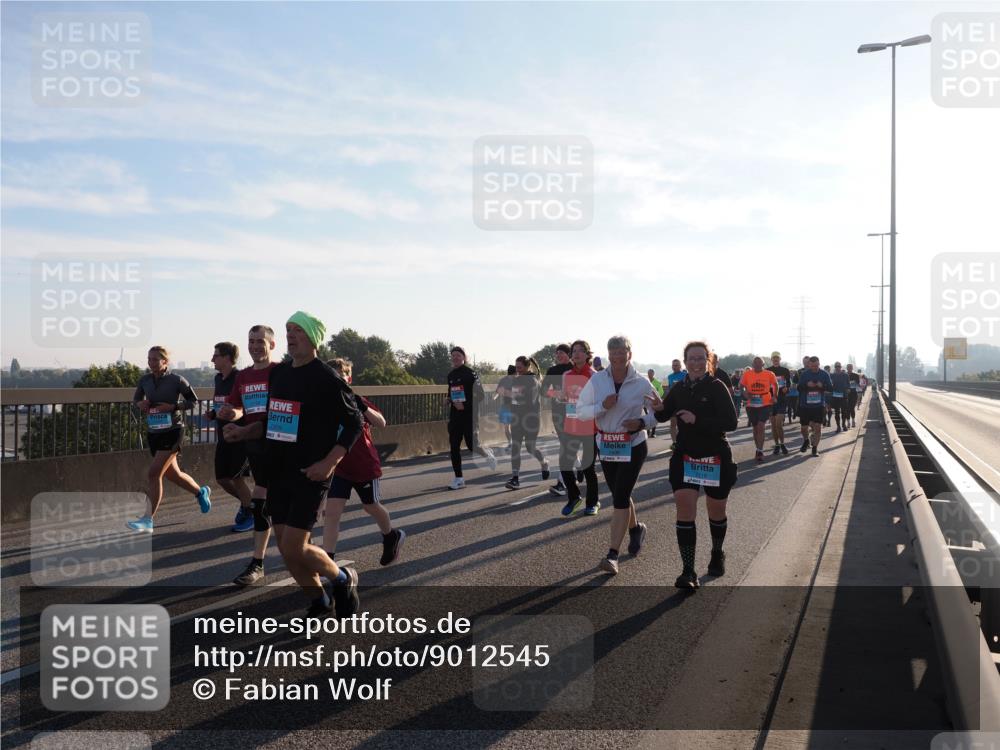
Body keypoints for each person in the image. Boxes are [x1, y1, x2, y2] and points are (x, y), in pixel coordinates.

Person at [263, 311, 364, 618]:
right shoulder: (278, 373)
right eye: (288, 330)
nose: (291, 336)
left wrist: (330, 462)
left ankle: (342, 578)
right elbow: (275, 418)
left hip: (312, 472)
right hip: (279, 470)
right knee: (285, 548)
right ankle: (319, 602)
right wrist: (244, 430)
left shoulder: (326, 377)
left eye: (298, 331)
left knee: (295, 547)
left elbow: (354, 422)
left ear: (313, 338)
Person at [652, 341, 738, 589]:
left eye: (701, 358)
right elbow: (663, 414)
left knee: (716, 510)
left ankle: (717, 552)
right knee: (684, 510)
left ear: (708, 360)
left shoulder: (717, 386)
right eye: (692, 358)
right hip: (686, 456)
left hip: (715, 456)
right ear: (685, 361)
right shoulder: (679, 388)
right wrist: (658, 409)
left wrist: (697, 419)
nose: (696, 363)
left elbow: (730, 422)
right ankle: (688, 572)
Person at [575, 335, 656, 575]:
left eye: (622, 352)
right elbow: (580, 412)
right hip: (608, 445)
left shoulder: (641, 383)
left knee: (620, 497)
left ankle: (612, 555)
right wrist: (602, 406)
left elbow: (658, 413)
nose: (618, 357)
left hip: (633, 445)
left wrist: (641, 421)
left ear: (630, 354)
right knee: (621, 492)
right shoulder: (597, 381)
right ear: (608, 355)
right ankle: (636, 528)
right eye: (614, 353)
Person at [323, 358, 404, 566]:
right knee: (331, 513)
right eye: (331, 377)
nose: (335, 381)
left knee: (371, 506)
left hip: (364, 465)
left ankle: (390, 536)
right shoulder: (322, 403)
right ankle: (328, 561)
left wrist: (362, 407)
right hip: (338, 467)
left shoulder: (356, 399)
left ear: (348, 378)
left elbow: (382, 422)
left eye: (340, 376)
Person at [219, 325, 278, 586]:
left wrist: (245, 429)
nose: (255, 346)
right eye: (251, 341)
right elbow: (239, 408)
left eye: (260, 341)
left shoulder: (281, 373)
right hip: (255, 448)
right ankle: (258, 562)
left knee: (287, 509)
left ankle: (309, 554)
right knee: (260, 504)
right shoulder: (242, 377)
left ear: (272, 345)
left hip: (283, 448)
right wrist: (232, 415)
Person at [127, 346, 211, 531]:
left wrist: (173, 407)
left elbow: (193, 401)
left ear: (165, 361)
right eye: (149, 359)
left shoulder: (177, 380)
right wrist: (141, 403)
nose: (151, 362)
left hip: (173, 431)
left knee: (154, 473)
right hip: (154, 431)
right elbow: (136, 401)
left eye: (155, 359)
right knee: (174, 475)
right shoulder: (145, 380)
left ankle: (147, 519)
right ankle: (200, 492)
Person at [206, 341, 253, 532]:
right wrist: (212, 413)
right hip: (223, 436)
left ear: (227, 358)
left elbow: (245, 405)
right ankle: (248, 504)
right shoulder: (218, 379)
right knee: (222, 479)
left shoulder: (239, 377)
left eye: (216, 356)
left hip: (240, 435)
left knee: (237, 477)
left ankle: (252, 514)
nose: (212, 359)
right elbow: (220, 404)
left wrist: (237, 414)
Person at [446, 347, 498, 490]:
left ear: (464, 357)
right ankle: (459, 478)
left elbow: (480, 395)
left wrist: (465, 405)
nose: (455, 357)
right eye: (453, 355)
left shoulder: (470, 374)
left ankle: (487, 454)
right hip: (455, 416)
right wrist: (448, 399)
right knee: (454, 447)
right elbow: (451, 393)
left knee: (471, 445)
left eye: (458, 355)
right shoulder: (450, 375)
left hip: (469, 416)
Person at [559, 339, 600, 516]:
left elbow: (599, 401)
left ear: (587, 354)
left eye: (581, 351)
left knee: (588, 467)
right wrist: (561, 397)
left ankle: (593, 502)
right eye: (574, 351)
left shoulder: (594, 375)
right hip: (571, 425)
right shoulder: (566, 375)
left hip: (590, 426)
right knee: (565, 465)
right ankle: (574, 497)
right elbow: (565, 397)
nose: (576, 354)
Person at [506, 356, 550, 489]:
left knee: (530, 447)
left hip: (531, 419)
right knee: (515, 448)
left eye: (519, 367)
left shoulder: (532, 381)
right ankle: (515, 478)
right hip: (517, 419)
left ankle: (544, 463)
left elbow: (528, 400)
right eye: (516, 367)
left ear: (527, 367)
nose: (517, 370)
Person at [544, 345, 574, 494]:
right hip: (558, 412)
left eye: (562, 353)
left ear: (569, 354)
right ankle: (570, 474)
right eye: (557, 353)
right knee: (565, 444)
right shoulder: (552, 371)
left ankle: (563, 482)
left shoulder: (575, 369)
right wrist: (556, 393)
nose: (559, 355)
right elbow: (543, 391)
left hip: (575, 411)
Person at [739, 357, 779, 463]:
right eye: (755, 363)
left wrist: (775, 396)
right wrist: (745, 393)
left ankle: (760, 450)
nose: (757, 365)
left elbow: (775, 385)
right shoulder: (747, 374)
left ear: (763, 364)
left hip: (765, 402)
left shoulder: (769, 374)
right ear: (752, 364)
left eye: (759, 363)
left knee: (761, 426)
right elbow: (741, 385)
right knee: (755, 427)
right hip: (751, 404)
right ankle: (758, 448)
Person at [798, 356, 833, 457]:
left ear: (819, 364)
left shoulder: (824, 374)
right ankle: (806, 440)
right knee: (804, 428)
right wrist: (807, 385)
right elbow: (799, 388)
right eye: (812, 366)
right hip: (805, 405)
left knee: (818, 428)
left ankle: (815, 449)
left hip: (818, 405)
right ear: (809, 365)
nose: (814, 368)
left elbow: (830, 388)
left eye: (816, 366)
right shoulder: (804, 374)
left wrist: (823, 386)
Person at [766, 352, 791, 455]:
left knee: (778, 424)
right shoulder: (767, 371)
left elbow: (789, 383)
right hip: (771, 400)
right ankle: (777, 445)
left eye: (777, 358)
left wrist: (787, 388)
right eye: (774, 358)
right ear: (771, 359)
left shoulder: (785, 370)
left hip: (781, 399)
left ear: (780, 359)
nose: (776, 359)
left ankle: (782, 444)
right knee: (773, 425)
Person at [666, 359, 687, 450]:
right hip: (673, 404)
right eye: (673, 365)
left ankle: (684, 441)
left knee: (683, 424)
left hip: (684, 403)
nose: (675, 367)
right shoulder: (669, 376)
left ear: (680, 366)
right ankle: (675, 443)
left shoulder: (685, 375)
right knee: (673, 423)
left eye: (677, 365)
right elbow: (667, 390)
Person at [495, 365, 516, 451]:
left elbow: (497, 391)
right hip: (513, 406)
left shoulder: (503, 380)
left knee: (507, 427)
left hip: (507, 405)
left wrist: (495, 396)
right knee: (511, 426)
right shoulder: (517, 379)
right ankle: (512, 443)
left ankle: (511, 442)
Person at [830, 362, 851, 432]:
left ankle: (843, 425)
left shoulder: (845, 375)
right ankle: (838, 426)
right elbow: (829, 384)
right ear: (835, 368)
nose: (837, 368)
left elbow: (848, 384)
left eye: (839, 366)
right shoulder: (832, 375)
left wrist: (848, 389)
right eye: (836, 367)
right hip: (835, 396)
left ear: (841, 367)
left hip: (844, 396)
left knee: (844, 411)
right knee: (836, 412)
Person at [646, 368, 664, 437]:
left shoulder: (657, 383)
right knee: (646, 416)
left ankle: (653, 433)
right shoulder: (646, 381)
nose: (649, 375)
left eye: (651, 373)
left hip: (654, 403)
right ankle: (647, 432)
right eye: (648, 373)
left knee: (654, 417)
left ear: (653, 374)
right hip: (646, 402)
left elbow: (661, 392)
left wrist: (656, 398)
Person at [846, 363, 861, 428]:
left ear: (852, 368)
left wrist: (852, 383)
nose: (849, 368)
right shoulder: (844, 375)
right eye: (848, 367)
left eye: (850, 367)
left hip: (854, 394)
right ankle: (848, 422)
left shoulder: (856, 375)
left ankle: (853, 421)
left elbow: (858, 384)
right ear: (847, 368)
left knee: (851, 408)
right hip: (846, 394)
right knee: (847, 409)